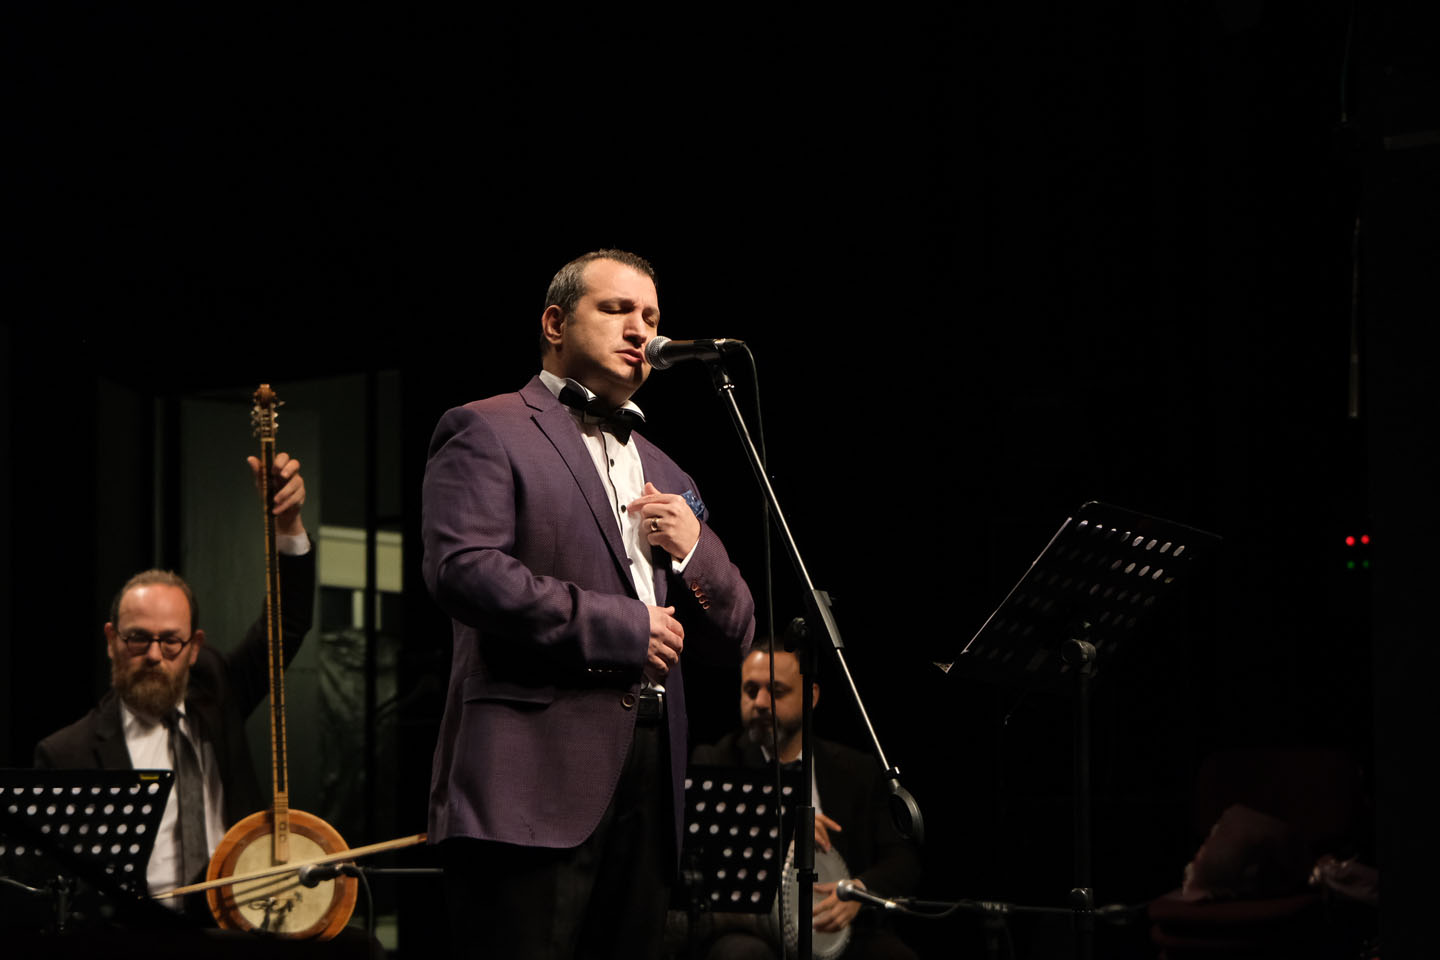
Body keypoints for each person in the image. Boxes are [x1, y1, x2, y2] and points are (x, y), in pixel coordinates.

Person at [422, 249, 755, 958]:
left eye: (652, 318)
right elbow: (463, 571)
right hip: (529, 774)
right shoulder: (486, 428)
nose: (642, 331)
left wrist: (697, 548)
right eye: (617, 309)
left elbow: (735, 634)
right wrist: (622, 627)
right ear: (554, 323)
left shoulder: (668, 470)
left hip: (650, 774)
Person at [34, 452, 313, 905]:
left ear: (194, 647)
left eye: (170, 642)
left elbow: (289, 623)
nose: (153, 655)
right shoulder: (66, 753)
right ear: (111, 640)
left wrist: (288, 524)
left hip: (235, 921)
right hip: (135, 932)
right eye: (137, 639)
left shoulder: (220, 691)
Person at [691, 643, 921, 960]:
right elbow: (698, 858)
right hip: (753, 929)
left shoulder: (856, 770)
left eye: (776, 691)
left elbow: (903, 860)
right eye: (750, 690)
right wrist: (784, 832)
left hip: (840, 929)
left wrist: (860, 891)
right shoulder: (717, 761)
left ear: (810, 697)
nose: (760, 703)